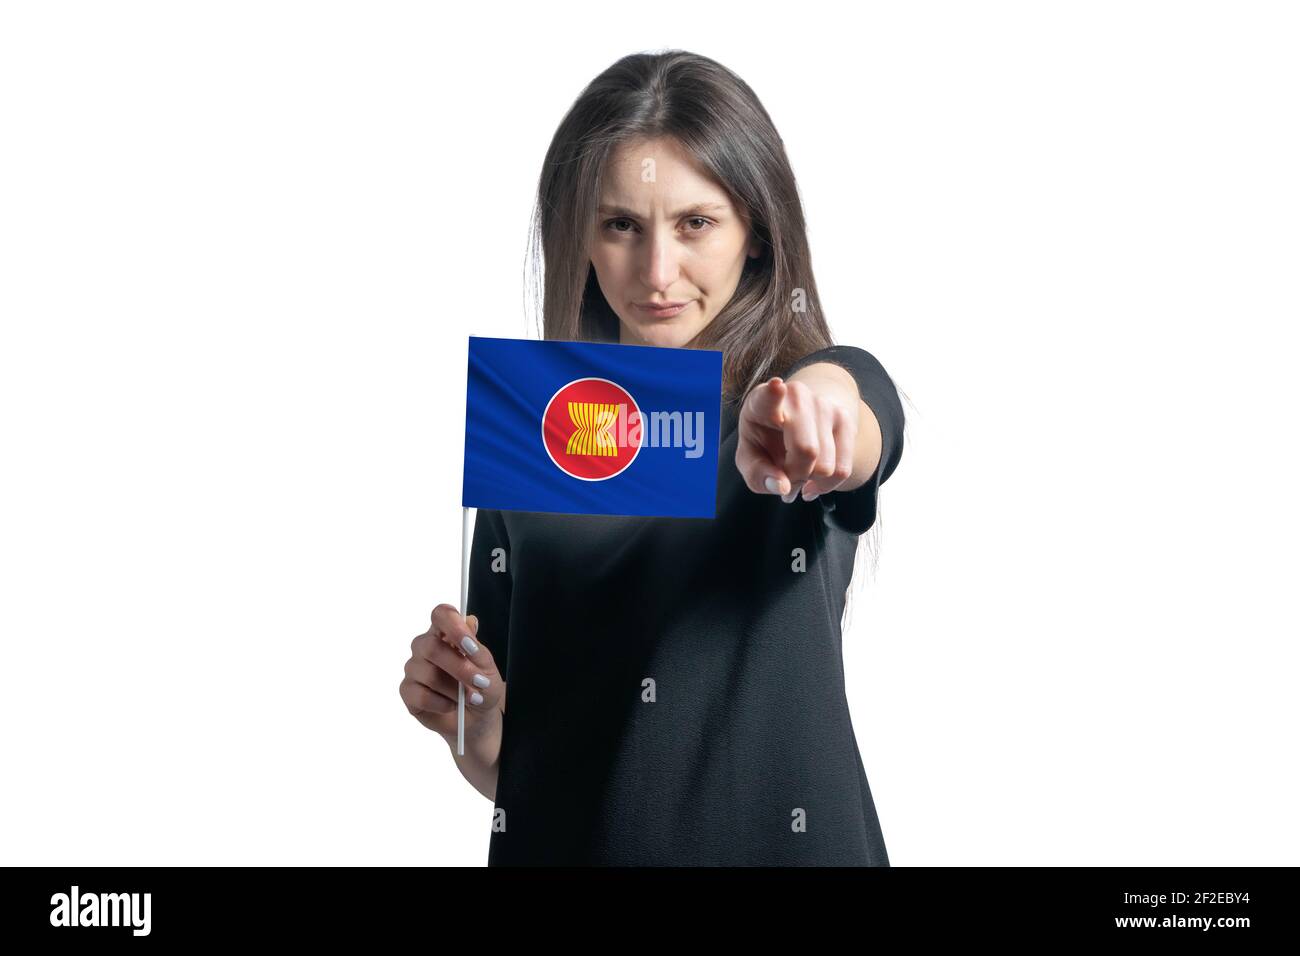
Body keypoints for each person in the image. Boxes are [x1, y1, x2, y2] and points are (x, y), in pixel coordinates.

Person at [399, 50, 906, 865]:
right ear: (582, 238)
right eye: (621, 225)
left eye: (695, 223)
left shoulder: (786, 416)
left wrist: (825, 412)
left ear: (756, 235)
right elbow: (529, 767)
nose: (657, 271)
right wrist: (481, 728)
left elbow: (859, 409)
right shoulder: (536, 430)